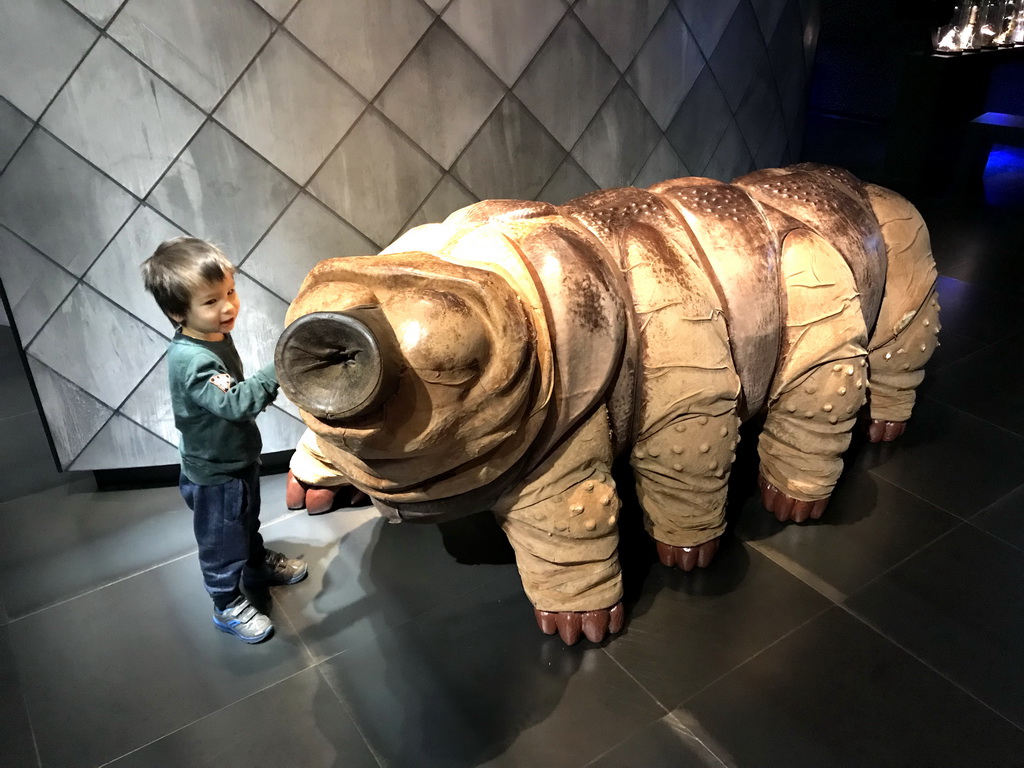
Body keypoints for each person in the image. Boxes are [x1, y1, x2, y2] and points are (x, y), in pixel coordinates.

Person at [141, 236, 306, 643]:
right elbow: (234, 404)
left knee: (244, 521)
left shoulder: (213, 337)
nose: (228, 306)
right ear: (178, 312)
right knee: (220, 541)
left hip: (234, 459)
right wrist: (279, 367)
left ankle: (255, 565)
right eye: (211, 301)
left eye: (230, 292)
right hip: (214, 474)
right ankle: (225, 602)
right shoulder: (193, 359)